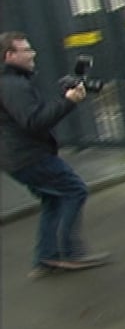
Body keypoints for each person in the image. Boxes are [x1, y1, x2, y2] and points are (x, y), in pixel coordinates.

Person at [0, 31, 110, 279]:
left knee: (53, 199)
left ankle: (46, 257)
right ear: (10, 56)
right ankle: (69, 253)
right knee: (74, 190)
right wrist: (69, 101)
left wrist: (64, 99)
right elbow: (33, 121)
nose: (32, 54)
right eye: (26, 50)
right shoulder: (13, 85)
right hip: (29, 156)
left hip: (16, 158)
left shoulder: (12, 82)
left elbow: (31, 114)